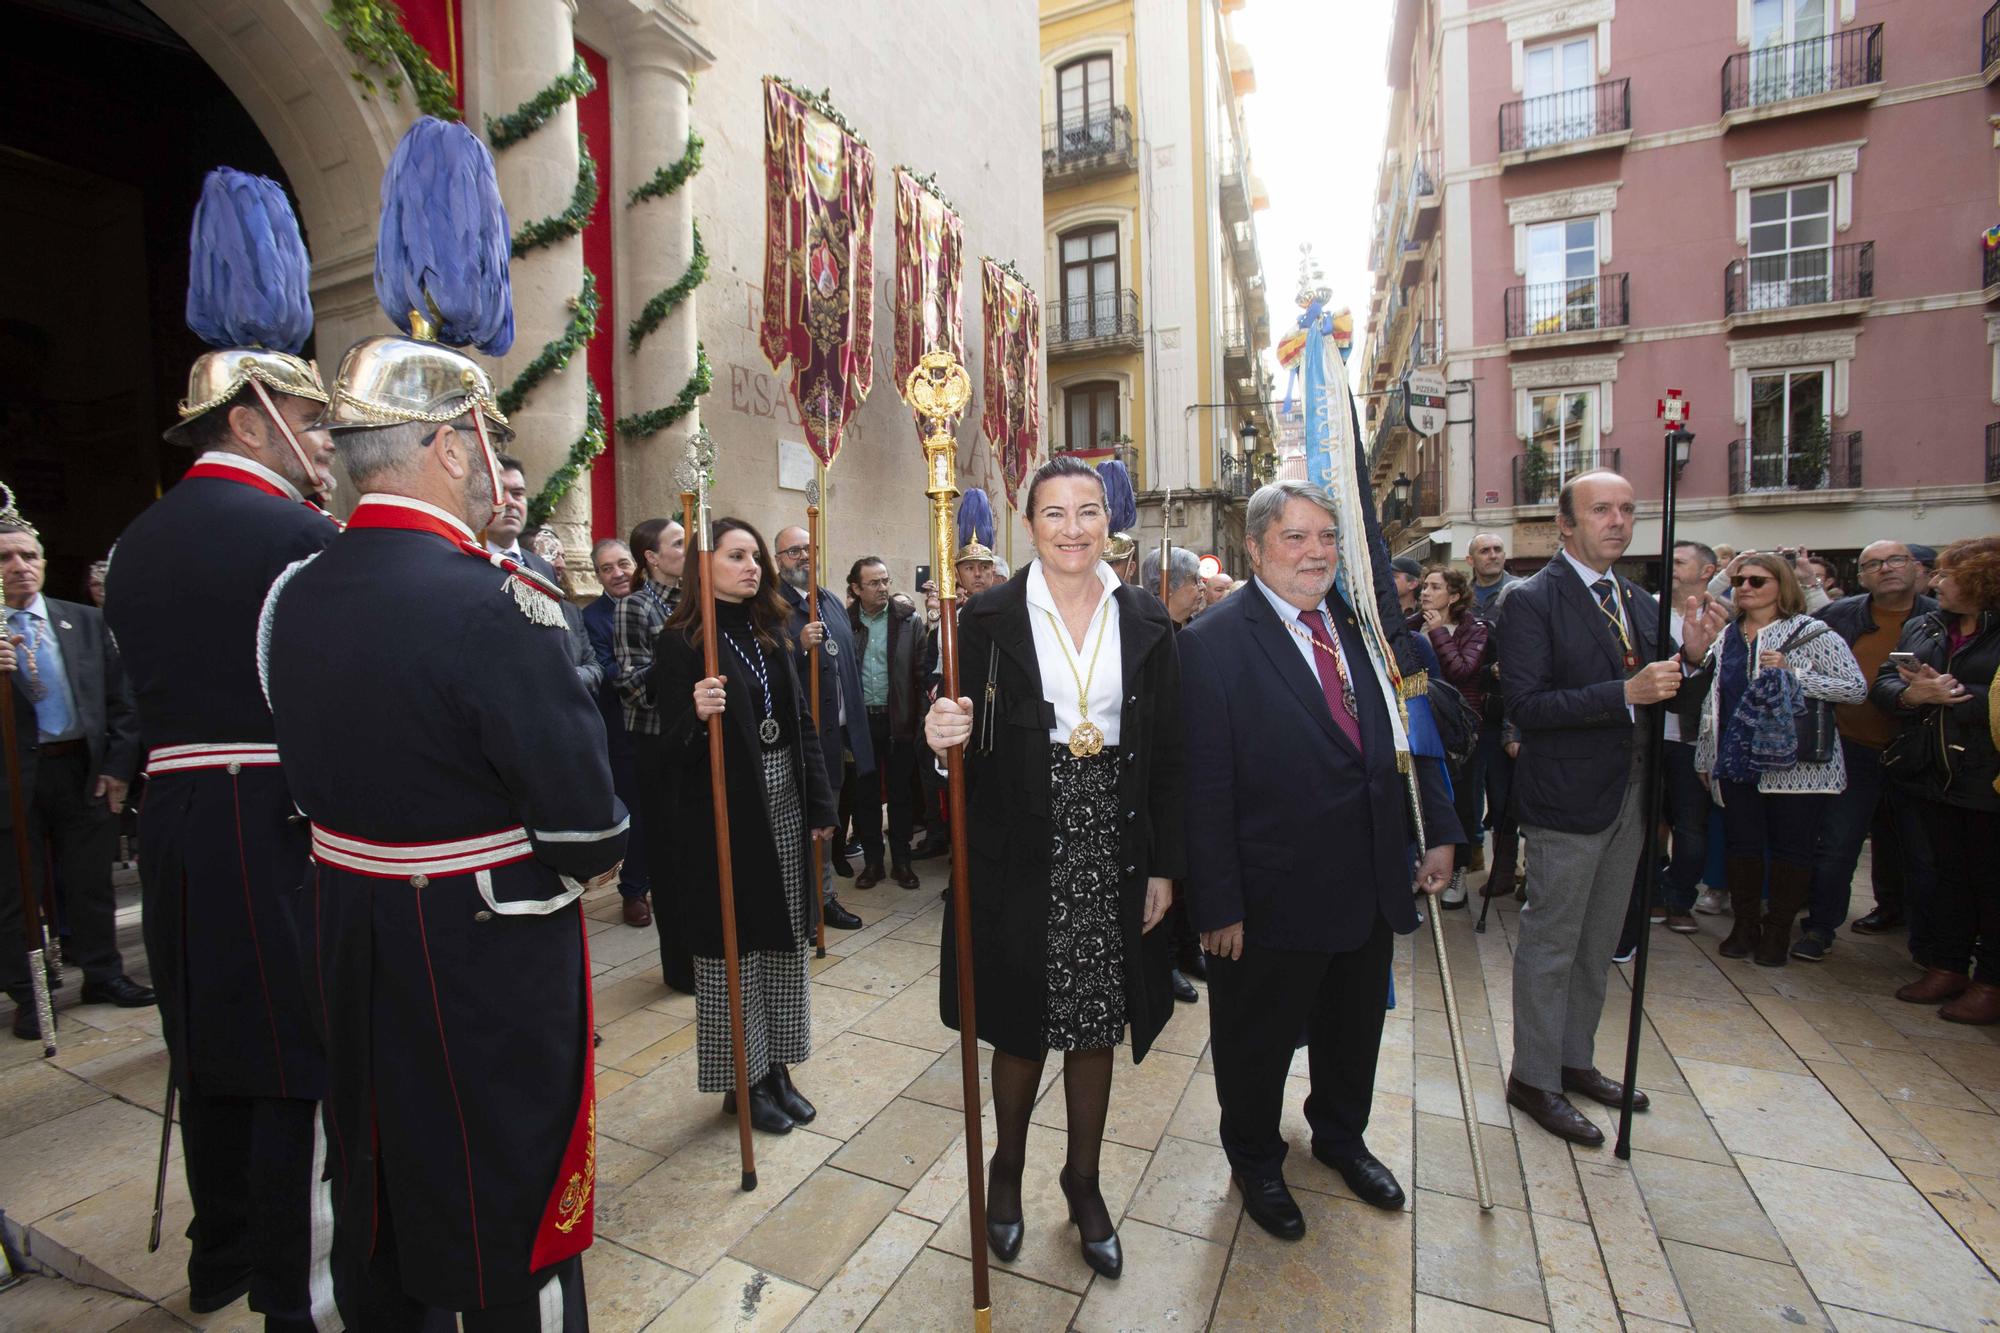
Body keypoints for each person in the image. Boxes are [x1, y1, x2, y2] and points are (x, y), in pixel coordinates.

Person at [263, 308, 625, 1326]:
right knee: (506, 1170)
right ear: (448, 442)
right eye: (486, 440)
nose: (489, 463)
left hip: (347, 929)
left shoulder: (294, 593)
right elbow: (584, 830)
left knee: (378, 1150)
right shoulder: (500, 603)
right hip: (483, 945)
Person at [98, 163, 341, 1317]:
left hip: (174, 822)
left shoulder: (136, 539)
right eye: (308, 421)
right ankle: (285, 1283)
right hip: (270, 815)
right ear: (251, 420)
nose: (325, 441)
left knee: (205, 1044)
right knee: (289, 1052)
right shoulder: (291, 531)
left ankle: (219, 1252)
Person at [924, 455, 1183, 1278]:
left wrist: (1165, 868)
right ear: (1027, 525)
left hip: (1114, 836)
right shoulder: (986, 617)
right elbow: (952, 727)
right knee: (1022, 1015)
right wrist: (942, 741)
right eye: (1053, 513)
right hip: (1017, 843)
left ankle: (1084, 1178)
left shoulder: (1144, 617)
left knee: (1097, 1014)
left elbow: (1171, 756)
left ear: (1109, 522)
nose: (1073, 529)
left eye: (1087, 512)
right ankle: (1006, 1169)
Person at [1176, 479, 1456, 1239]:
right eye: (1296, 537)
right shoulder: (1212, 643)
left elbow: (1413, 734)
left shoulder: (1366, 627)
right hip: (1269, 894)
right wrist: (1219, 904)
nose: (1317, 552)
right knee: (1255, 1040)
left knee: (1352, 1028)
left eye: (1327, 537)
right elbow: (1202, 786)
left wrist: (1439, 829)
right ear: (1257, 548)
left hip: (1367, 878)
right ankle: (1256, 1158)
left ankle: (1340, 1136)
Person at [1498, 471, 1722, 1146]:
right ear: (1565, 524)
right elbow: (1527, 708)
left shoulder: (1637, 598)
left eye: (1627, 509)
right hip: (1567, 799)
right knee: (1552, 941)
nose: (1618, 521)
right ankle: (1533, 1077)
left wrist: (1691, 655)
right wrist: (1623, 691)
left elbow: (1672, 696)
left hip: (1631, 794)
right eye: (1602, 510)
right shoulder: (1531, 601)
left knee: (1599, 941)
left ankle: (1574, 1058)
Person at [653, 519, 837, 1129]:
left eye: (756, 556)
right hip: (725, 815)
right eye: (736, 556)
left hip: (783, 802)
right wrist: (694, 713)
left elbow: (801, 720)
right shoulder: (681, 642)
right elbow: (663, 753)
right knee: (736, 947)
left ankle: (778, 1065)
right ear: (704, 566)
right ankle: (744, 1076)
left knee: (783, 935)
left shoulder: (773, 630)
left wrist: (819, 803)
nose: (752, 567)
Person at [0, 508, 148, 1042]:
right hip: (14, 781)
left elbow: (120, 701)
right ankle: (28, 992)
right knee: (18, 889)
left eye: (29, 555)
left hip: (80, 770)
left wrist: (116, 767)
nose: (20, 566)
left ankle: (103, 974)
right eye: (6, 558)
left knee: (90, 882)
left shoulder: (82, 621)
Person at [1690, 553, 1867, 966]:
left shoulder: (1811, 632)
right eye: (1739, 581)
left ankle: (1777, 930)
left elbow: (1855, 688)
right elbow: (1713, 701)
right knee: (1742, 846)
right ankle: (1745, 924)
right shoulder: (1727, 635)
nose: (1745, 588)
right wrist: (1705, 755)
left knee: (1793, 850)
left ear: (1782, 586)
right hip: (1737, 761)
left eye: (1757, 581)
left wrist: (1795, 675)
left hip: (1798, 767)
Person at [1873, 537, 2000, 1023]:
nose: (1937, 582)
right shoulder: (1926, 625)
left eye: (1949, 575)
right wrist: (1910, 697)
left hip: (1986, 778)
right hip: (1928, 771)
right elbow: (1886, 681)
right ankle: (1947, 965)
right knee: (1943, 875)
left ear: (1983, 582)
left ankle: (1990, 979)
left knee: (1990, 882)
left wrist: (1953, 691)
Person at [1801, 540, 1937, 959]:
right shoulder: (1838, 615)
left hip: (1917, 753)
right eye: (1873, 564)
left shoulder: (1939, 619)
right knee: (1837, 846)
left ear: (1917, 568)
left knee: (1921, 852)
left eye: (1895, 560)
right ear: (1860, 577)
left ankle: (1928, 945)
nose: (1886, 569)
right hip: (1852, 750)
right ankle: (1819, 928)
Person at [773, 524, 868, 931]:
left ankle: (823, 899)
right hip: (798, 742)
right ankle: (804, 909)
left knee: (826, 828)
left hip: (836, 737)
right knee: (802, 832)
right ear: (778, 561)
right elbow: (763, 671)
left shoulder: (828, 600)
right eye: (794, 551)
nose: (804, 556)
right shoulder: (769, 606)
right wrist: (796, 647)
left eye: (809, 548)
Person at [616, 516, 693, 987]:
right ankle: (680, 966)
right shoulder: (635, 607)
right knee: (668, 855)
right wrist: (673, 657)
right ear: (651, 556)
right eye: (678, 543)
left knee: (695, 853)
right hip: (657, 741)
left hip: (695, 737)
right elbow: (628, 685)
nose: (686, 550)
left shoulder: (691, 602)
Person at [585, 538, 654, 927]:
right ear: (598, 576)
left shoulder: (655, 604)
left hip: (668, 727)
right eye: (607, 569)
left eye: (622, 564)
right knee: (638, 815)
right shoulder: (593, 618)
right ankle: (633, 891)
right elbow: (607, 670)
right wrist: (655, 670)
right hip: (623, 732)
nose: (617, 574)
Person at [846, 556, 924, 889]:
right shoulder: (845, 621)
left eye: (885, 581)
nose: (883, 588)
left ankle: (902, 861)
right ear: (856, 588)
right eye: (874, 583)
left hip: (899, 721)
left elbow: (921, 673)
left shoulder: (908, 621)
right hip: (861, 722)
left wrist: (919, 720)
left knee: (900, 793)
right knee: (865, 794)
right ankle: (874, 863)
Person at [1657, 540, 1722, 930]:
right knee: (1647, 822)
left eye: (1681, 562)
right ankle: (1650, 894)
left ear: (1707, 571)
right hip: (1648, 733)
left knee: (1689, 825)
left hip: (1693, 740)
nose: (1672, 567)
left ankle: (1680, 900)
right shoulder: (1648, 608)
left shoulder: (1724, 619)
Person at [1422, 565, 1489, 909]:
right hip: (1423, 728)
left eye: (1435, 586)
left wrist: (1437, 634)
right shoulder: (1410, 626)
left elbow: (1462, 669)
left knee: (1461, 801)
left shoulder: (1473, 630)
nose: (1425, 592)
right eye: (1424, 586)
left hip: (1461, 733)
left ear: (1455, 594)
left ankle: (1459, 869)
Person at [531, 526, 602, 696]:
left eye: (563, 556)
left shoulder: (572, 612)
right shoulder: (513, 605)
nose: (561, 564)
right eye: (552, 555)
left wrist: (572, 676)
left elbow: (595, 667)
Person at [483, 453, 558, 582]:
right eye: (498, 493)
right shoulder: (463, 562)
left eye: (517, 493)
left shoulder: (545, 570)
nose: (510, 502)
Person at [1142, 546, 1204, 630]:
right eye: (1195, 581)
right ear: (1167, 588)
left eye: (1201, 580)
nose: (1203, 587)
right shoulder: (1148, 634)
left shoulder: (1201, 626)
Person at [1467, 532, 1520, 615]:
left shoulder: (1521, 590)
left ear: (1504, 557)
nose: (1493, 556)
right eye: (1484, 551)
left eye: (1498, 550)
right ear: (1471, 560)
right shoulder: (1462, 596)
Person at [1391, 555, 1425, 632]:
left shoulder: (1424, 617)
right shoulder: (1379, 609)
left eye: (1394, 576)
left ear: (1412, 584)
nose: (1388, 579)